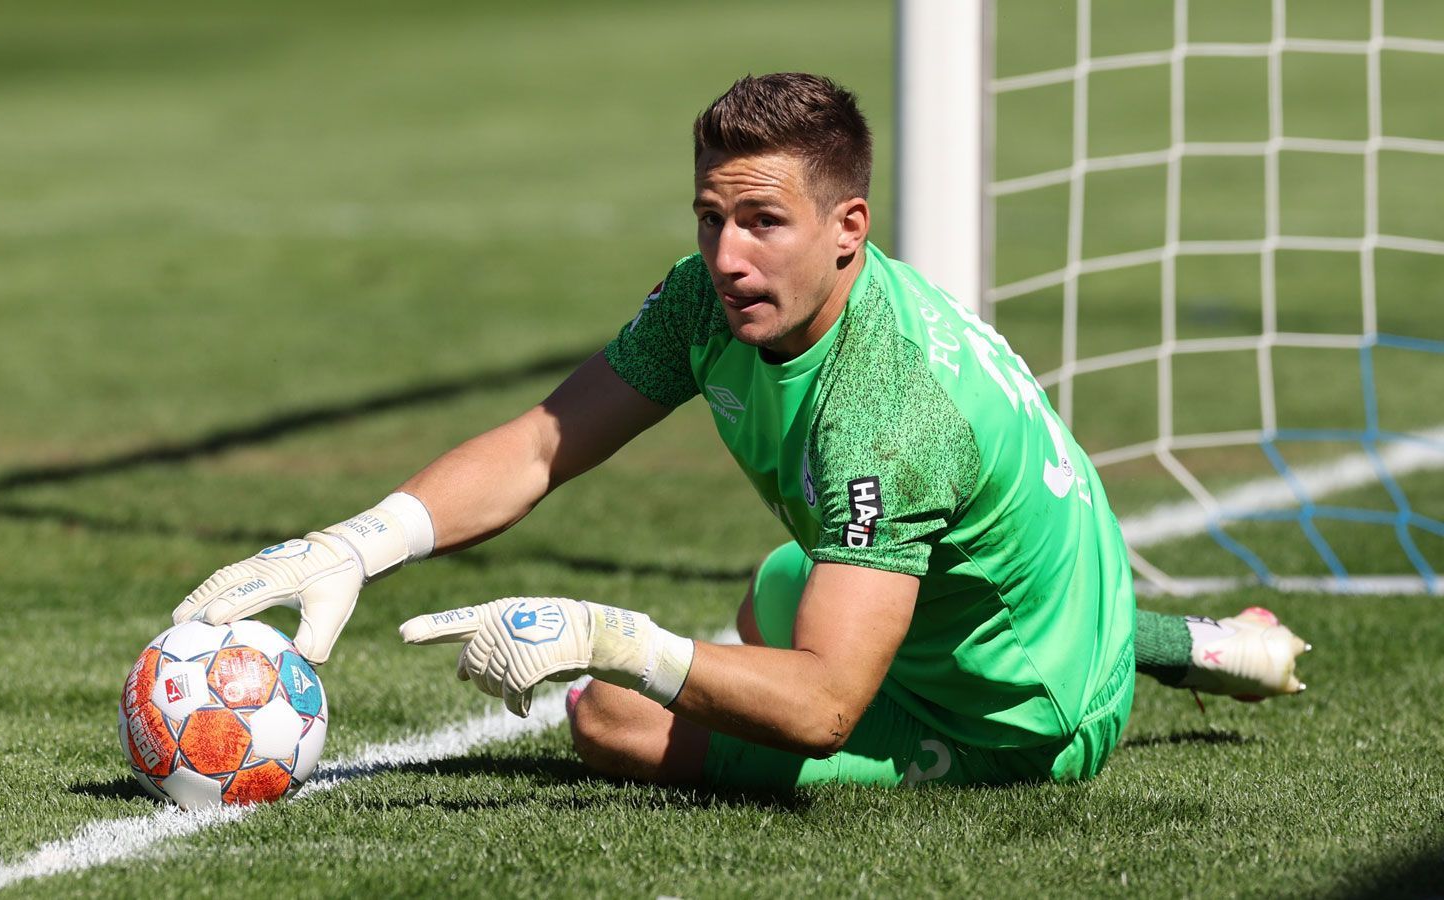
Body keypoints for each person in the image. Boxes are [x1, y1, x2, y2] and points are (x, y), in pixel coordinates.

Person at [173, 73, 1309, 789]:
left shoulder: (888, 410)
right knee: (782, 588)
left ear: (848, 227)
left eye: (763, 221)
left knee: (615, 719)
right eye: (712, 217)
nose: (728, 255)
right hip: (1035, 593)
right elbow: (539, 444)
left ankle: (1121, 676)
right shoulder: (706, 299)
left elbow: (820, 710)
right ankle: (1194, 644)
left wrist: (609, 635)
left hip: (1018, 717)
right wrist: (353, 545)